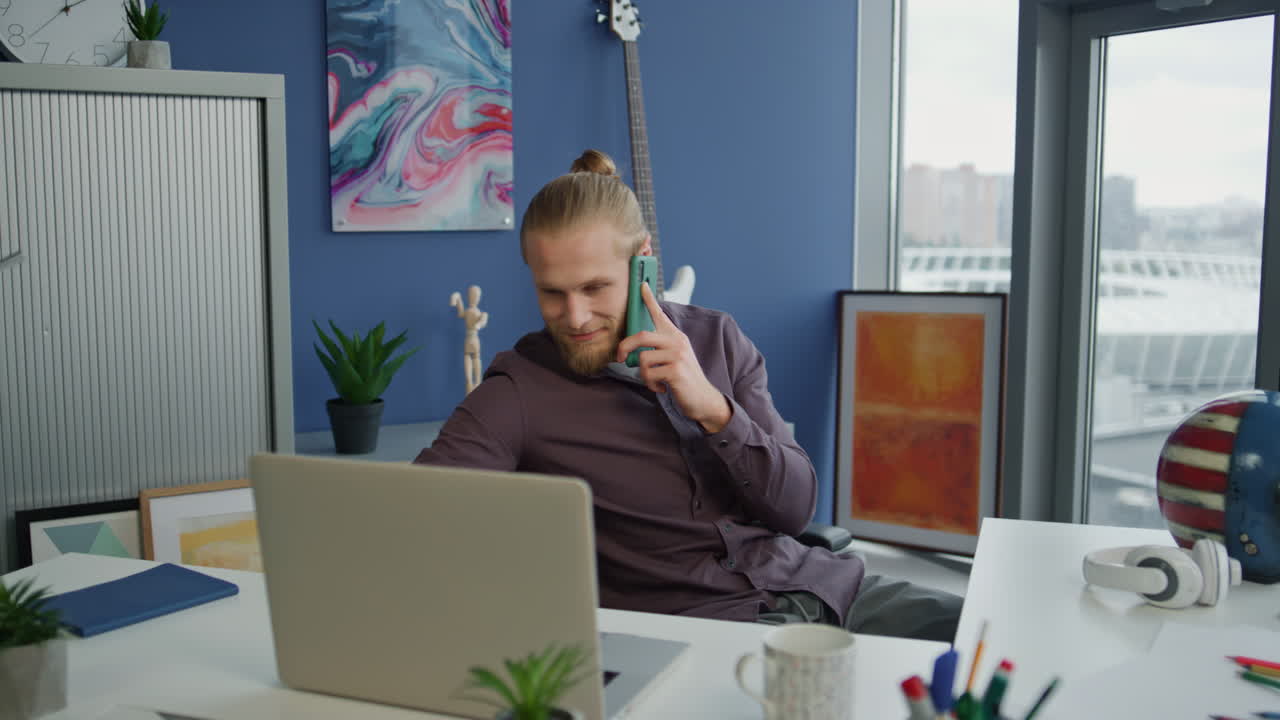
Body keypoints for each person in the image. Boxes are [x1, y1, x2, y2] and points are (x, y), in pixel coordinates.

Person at [414, 149, 961, 642]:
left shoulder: (718, 340)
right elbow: (411, 510)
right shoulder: (519, 391)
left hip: (820, 586)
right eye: (552, 293)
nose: (574, 316)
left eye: (594, 288)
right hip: (712, 631)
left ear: (643, 260)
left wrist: (715, 411)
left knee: (999, 639)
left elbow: (795, 510)